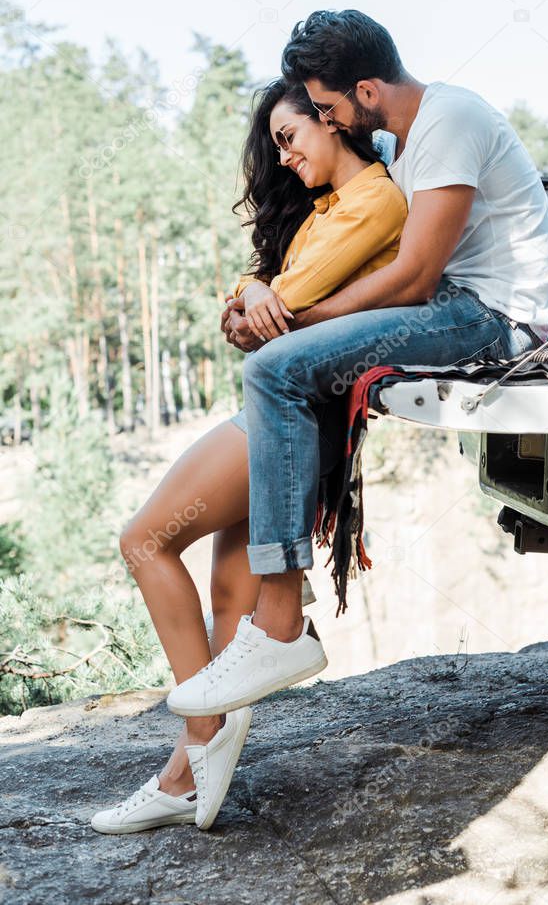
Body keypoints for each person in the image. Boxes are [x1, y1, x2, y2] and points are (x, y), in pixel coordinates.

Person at [165, 9, 548, 721]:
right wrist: (270, 308)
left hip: (493, 319)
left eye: (326, 107)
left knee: (275, 368)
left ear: (367, 90)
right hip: (455, 303)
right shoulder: (406, 140)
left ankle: (279, 620)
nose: (329, 120)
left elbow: (412, 280)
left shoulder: (450, 120)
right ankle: (275, 615)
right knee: (282, 365)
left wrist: (291, 326)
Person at [90, 76, 408, 834]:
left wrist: (259, 299)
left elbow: (286, 303)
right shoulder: (323, 209)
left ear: (332, 122)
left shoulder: (378, 202)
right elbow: (261, 293)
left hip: (298, 414)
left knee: (145, 539)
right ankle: (181, 777)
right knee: (231, 601)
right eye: (275, 145)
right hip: (285, 411)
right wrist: (249, 291)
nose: (284, 155)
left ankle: (202, 734)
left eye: (290, 135)